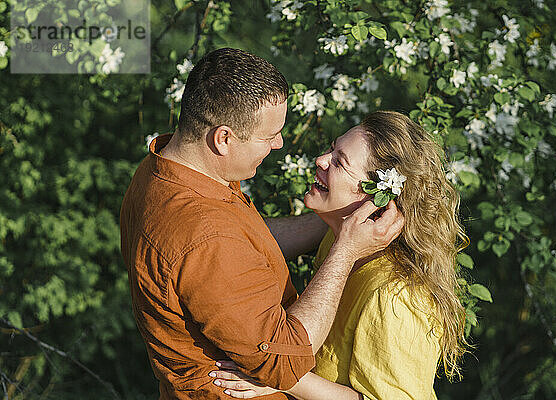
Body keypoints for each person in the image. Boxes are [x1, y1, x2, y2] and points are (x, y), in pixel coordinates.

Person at [120, 48, 404, 399]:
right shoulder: (203, 232)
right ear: (222, 139)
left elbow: (243, 246)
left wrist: (338, 222)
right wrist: (345, 251)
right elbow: (286, 363)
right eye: (269, 136)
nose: (279, 143)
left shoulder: (170, 169)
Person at [209, 111, 469, 400]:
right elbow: (250, 243)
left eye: (340, 162)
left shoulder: (397, 297)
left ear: (376, 198)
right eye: (332, 149)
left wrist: (282, 377)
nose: (321, 160)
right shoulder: (339, 236)